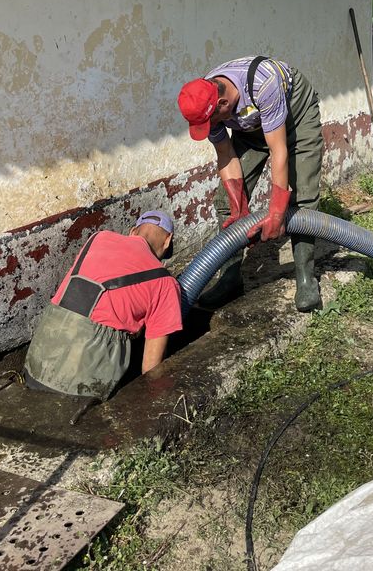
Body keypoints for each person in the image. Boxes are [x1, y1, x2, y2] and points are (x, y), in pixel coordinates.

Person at [177, 55, 324, 312]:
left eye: (211, 121)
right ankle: (230, 279)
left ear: (223, 104)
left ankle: (305, 278)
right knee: (224, 202)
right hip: (251, 128)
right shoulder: (207, 104)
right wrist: (239, 208)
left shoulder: (263, 83)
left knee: (303, 196)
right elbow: (225, 153)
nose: (210, 127)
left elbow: (279, 151)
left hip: (296, 119)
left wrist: (277, 213)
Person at [24, 211, 182, 400]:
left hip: (38, 360)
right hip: (82, 383)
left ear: (132, 231)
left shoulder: (98, 238)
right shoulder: (164, 283)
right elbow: (150, 368)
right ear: (167, 241)